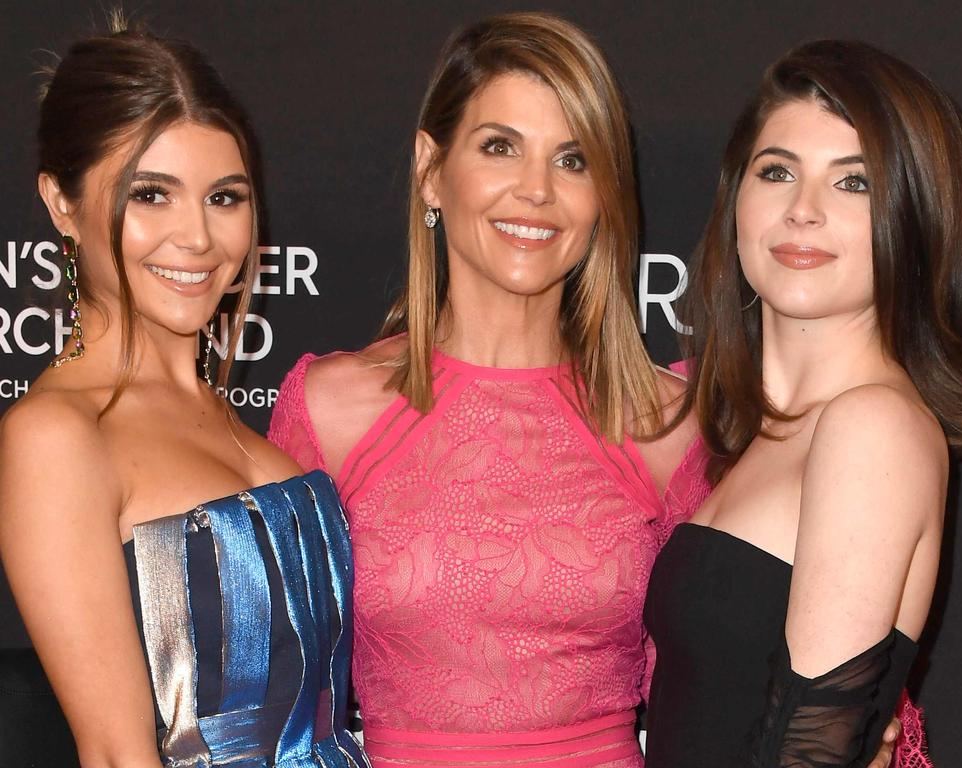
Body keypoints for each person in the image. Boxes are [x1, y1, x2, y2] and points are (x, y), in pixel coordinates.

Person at [269, 14, 907, 768]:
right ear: (431, 168)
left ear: (603, 193)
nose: (535, 190)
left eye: (572, 160)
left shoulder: (668, 422)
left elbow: (732, 673)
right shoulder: (329, 409)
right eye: (500, 147)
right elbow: (275, 704)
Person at [643, 39, 962, 767]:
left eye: (855, 184)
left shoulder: (870, 425)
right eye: (777, 171)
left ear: (913, 219)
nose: (803, 211)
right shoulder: (764, 434)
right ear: (737, 199)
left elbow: (808, 757)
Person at [0, 20, 368, 768]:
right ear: (62, 205)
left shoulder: (227, 416)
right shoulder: (59, 434)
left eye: (224, 197)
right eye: (151, 195)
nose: (197, 237)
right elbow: (114, 752)